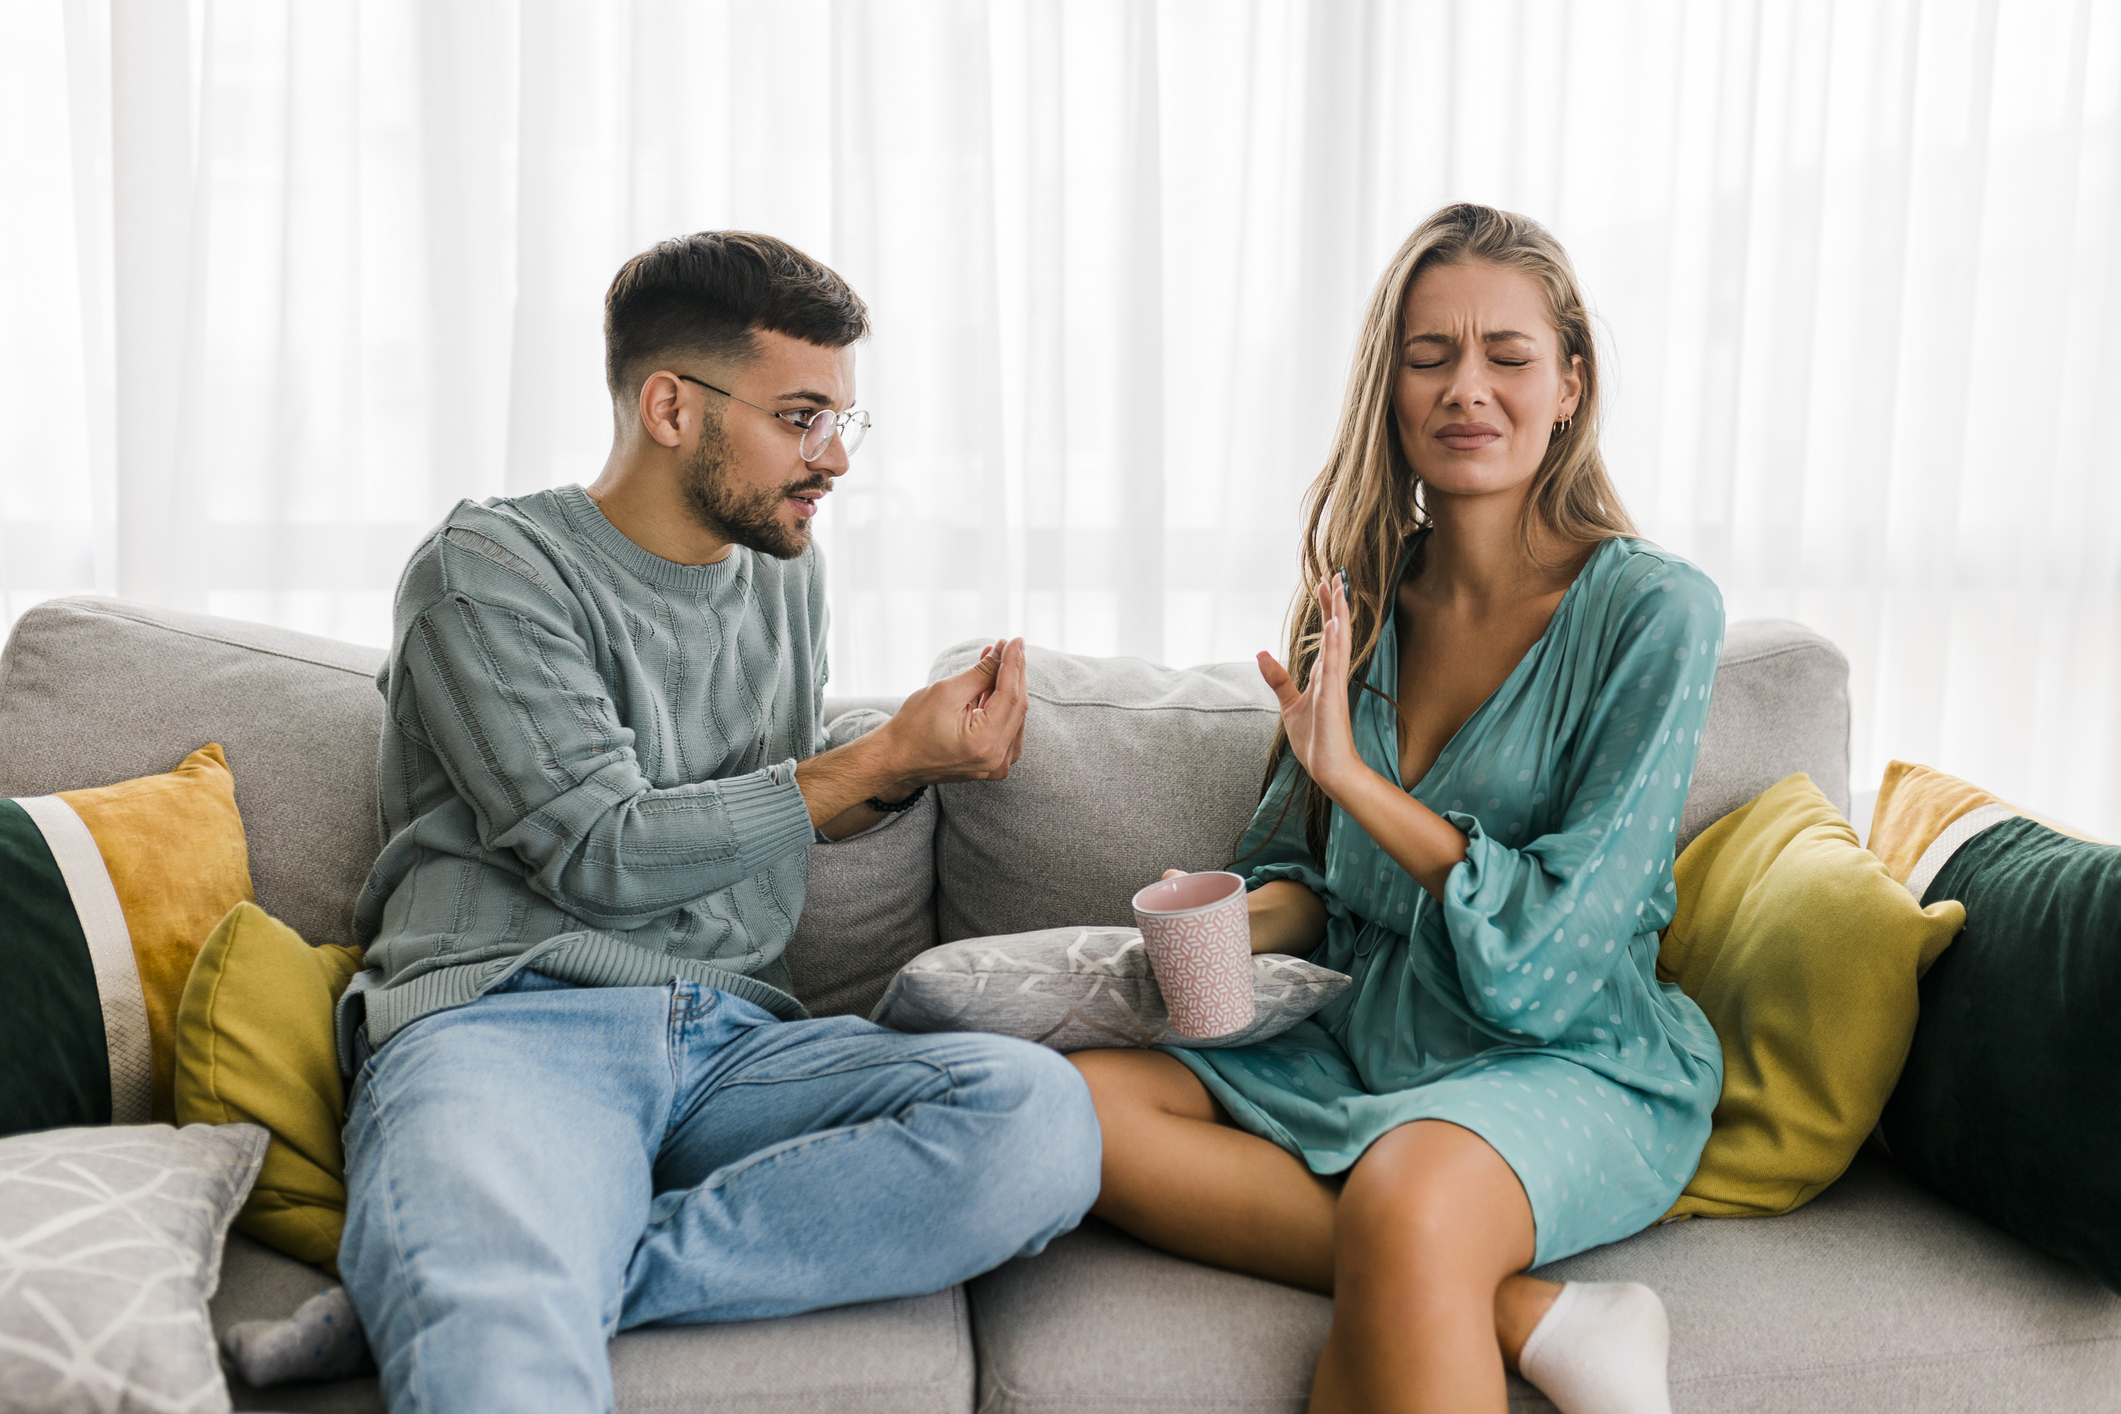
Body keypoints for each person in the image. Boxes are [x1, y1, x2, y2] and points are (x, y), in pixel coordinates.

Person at [337, 231, 1102, 1412]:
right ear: (670, 406)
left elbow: (761, 803)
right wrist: (872, 758)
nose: (836, 456)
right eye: (803, 417)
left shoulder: (785, 571)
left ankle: (530, 1268)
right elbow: (602, 849)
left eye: (845, 418)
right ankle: (488, 1276)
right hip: (511, 1022)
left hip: (736, 1040)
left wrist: (910, 771)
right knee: (499, 1358)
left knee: (1039, 1123)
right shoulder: (488, 567)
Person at [1073, 203, 1725, 1414]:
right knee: (1083, 1105)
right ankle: (1533, 1313)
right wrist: (1204, 933)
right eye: (1430, 357)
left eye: (1508, 355)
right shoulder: (1352, 606)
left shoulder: (1658, 612)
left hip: (1568, 1055)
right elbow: (1310, 884)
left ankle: (1443, 1265)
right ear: (1390, 386)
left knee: (1406, 1198)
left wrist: (1360, 784)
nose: (1465, 388)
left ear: (1571, 384)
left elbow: (1558, 952)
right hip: (1374, 1037)